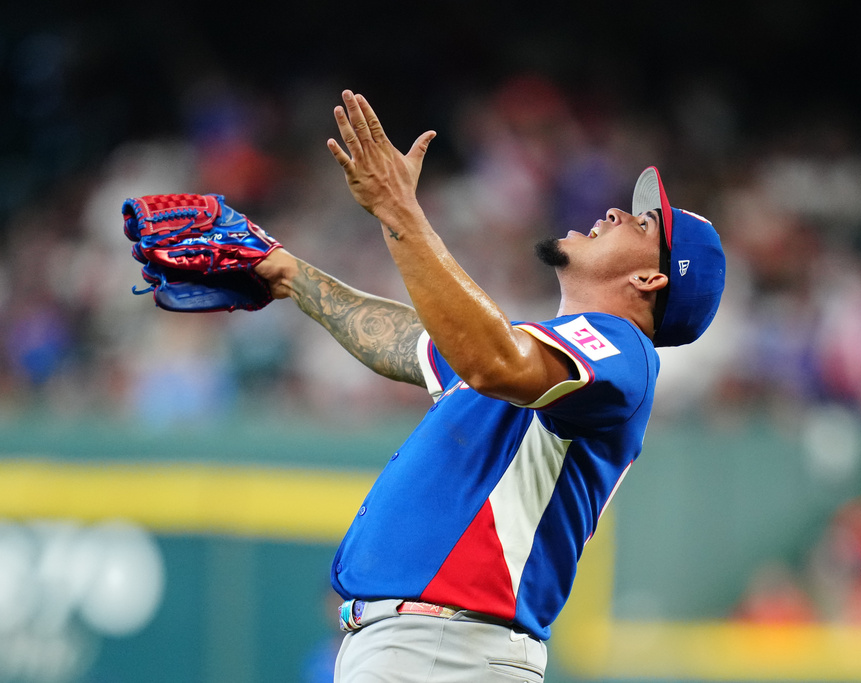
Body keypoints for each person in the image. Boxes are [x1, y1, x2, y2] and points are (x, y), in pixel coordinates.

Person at [253, 90, 726, 682]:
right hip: (430, 645)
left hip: (450, 646)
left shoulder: (622, 351)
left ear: (651, 276)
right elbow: (407, 341)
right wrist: (290, 274)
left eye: (642, 223)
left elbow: (489, 361)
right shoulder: (542, 351)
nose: (614, 213)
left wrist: (399, 210)